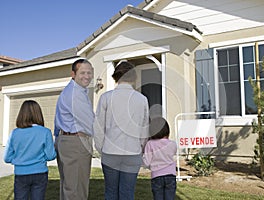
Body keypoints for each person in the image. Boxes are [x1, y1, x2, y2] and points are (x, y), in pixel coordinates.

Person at [93, 60, 149, 200]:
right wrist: (140, 147)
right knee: (127, 193)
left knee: (111, 192)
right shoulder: (142, 99)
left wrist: (101, 148)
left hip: (110, 152)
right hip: (133, 152)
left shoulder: (106, 97)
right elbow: (144, 129)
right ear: (133, 77)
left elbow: (98, 126)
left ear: (116, 77)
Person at [54, 58, 94, 200]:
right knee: (77, 189)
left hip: (67, 140)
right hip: (75, 143)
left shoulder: (72, 91)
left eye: (90, 72)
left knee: (69, 187)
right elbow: (90, 124)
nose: (87, 76)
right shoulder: (75, 94)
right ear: (73, 74)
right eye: (82, 72)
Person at [4, 100, 56, 200]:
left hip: (21, 174)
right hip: (40, 173)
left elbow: (7, 158)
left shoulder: (14, 133)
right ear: (38, 114)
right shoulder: (45, 132)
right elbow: (51, 155)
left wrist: (19, 158)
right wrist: (40, 157)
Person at [143, 117, 177, 200]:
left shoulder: (150, 144)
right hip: (170, 175)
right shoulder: (172, 144)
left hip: (156, 176)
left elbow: (146, 162)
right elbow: (173, 154)